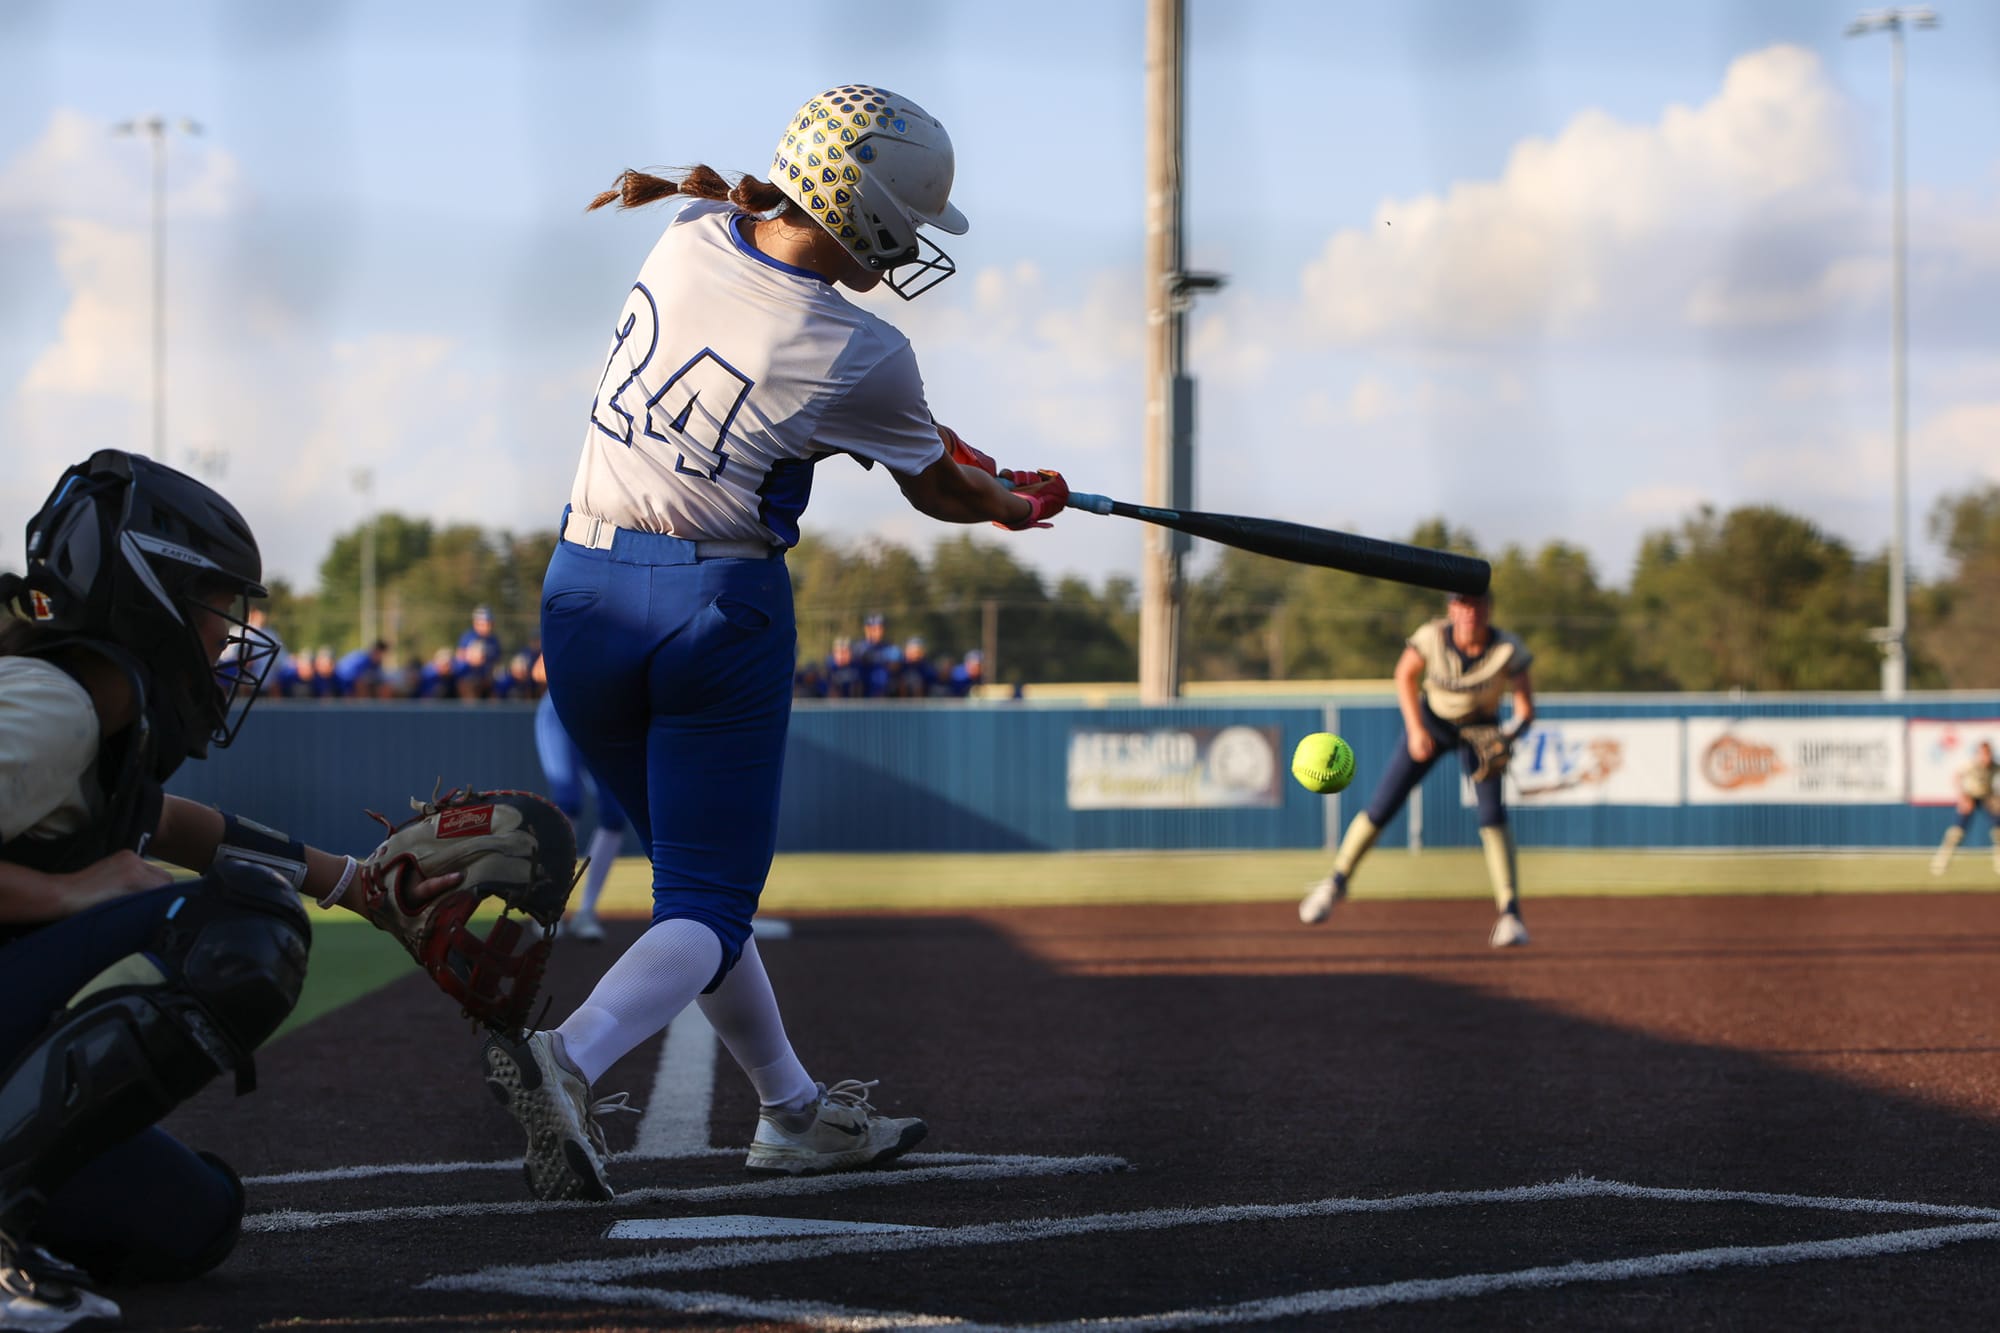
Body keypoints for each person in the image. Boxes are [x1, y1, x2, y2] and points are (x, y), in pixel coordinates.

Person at [483, 83, 1068, 1202]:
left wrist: (969, 467)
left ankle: (792, 1113)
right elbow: (934, 485)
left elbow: (861, 412)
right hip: (714, 610)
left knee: (696, 888)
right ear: (873, 217)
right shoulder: (866, 347)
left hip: (579, 594)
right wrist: (1003, 503)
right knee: (708, 902)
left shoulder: (687, 231)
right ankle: (569, 1057)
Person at [0, 451, 462, 1329]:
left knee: (191, 1218)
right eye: (219, 603)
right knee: (245, 927)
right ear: (152, 589)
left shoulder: (96, 710)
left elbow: (171, 823)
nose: (231, 634)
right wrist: (65, 899)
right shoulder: (50, 704)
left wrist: (357, 883)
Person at [1299, 589, 1537, 948]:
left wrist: (1509, 735)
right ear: (1451, 608)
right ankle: (1335, 882)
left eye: (1477, 603)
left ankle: (1511, 915)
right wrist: (1415, 729)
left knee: (1493, 816)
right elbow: (1404, 675)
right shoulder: (1432, 635)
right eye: (1463, 603)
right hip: (1432, 722)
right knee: (1383, 804)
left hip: (1481, 730)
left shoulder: (1507, 648)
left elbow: (1525, 708)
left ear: (1489, 607)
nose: (1470, 611)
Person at [530, 655, 628, 942]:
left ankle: (587, 910)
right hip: (563, 710)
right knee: (567, 802)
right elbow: (539, 671)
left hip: (603, 721)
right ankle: (545, 906)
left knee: (615, 814)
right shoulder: (579, 611)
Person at [1930, 739, 2000, 876]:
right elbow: (1957, 776)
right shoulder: (1971, 765)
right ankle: (1940, 863)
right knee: (1956, 833)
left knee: (1998, 832)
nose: (1987, 757)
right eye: (1984, 753)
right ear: (1979, 754)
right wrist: (1962, 796)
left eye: (1989, 753)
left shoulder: (1994, 766)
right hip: (1970, 796)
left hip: (1987, 797)